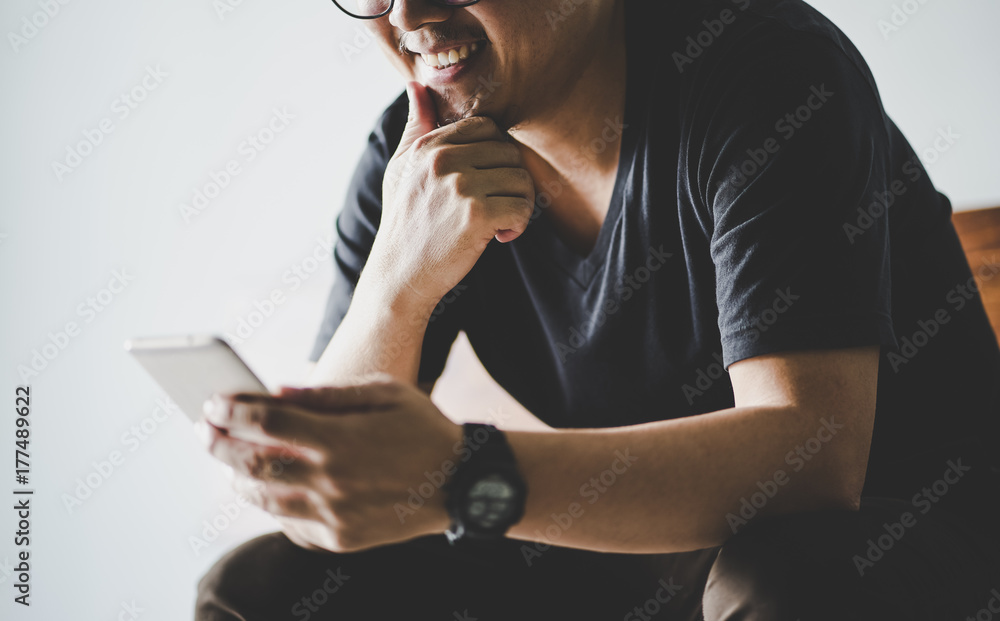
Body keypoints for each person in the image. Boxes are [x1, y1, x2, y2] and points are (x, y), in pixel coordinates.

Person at [194, 0, 1000, 619]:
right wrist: (398, 278)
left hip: (891, 539)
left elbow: (812, 463)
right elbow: (326, 500)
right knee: (266, 583)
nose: (406, 16)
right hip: (629, 554)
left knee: (782, 575)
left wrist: (463, 476)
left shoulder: (764, 69)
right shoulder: (411, 160)